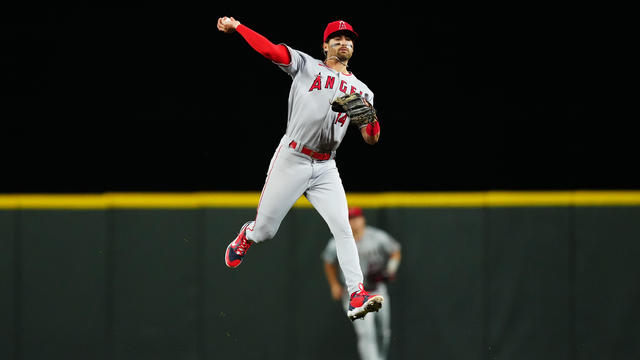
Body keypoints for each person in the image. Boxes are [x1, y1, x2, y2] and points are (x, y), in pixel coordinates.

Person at [217, 16, 383, 321]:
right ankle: (247, 234)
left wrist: (369, 117)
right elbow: (270, 51)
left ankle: (356, 293)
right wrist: (239, 27)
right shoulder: (307, 65)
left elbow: (371, 138)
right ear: (325, 45)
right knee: (266, 231)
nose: (344, 42)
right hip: (292, 158)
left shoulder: (362, 90)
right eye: (337, 38)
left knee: (343, 228)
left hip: (325, 167)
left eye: (349, 39)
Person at [322, 207, 402, 360]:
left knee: (383, 333)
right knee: (366, 333)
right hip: (354, 294)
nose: (354, 222)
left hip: (377, 290)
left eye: (356, 218)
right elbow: (328, 260)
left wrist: (391, 269)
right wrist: (334, 284)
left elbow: (395, 250)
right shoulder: (340, 240)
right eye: (350, 219)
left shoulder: (377, 237)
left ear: (363, 219)